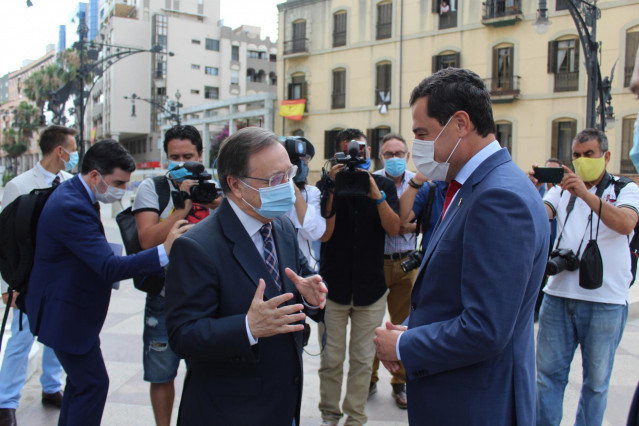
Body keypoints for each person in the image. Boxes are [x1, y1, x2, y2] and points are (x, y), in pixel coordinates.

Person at [374, 68, 550, 425]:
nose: (418, 147)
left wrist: (405, 346)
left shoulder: (498, 197)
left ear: (460, 123)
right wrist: (412, 332)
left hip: (475, 403)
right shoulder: (471, 185)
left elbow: (485, 328)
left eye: (422, 134)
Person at [164, 127, 327, 426]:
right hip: (229, 411)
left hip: (282, 402)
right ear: (236, 186)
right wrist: (247, 327)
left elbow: (303, 279)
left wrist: (313, 298)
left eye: (289, 174)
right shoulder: (197, 247)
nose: (288, 187)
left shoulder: (282, 227)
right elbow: (182, 336)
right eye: (276, 180)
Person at [25, 140, 189, 426]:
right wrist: (166, 249)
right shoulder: (71, 205)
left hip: (68, 313)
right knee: (93, 385)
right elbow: (109, 267)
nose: (122, 190)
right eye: (118, 182)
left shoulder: (76, 195)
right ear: (94, 176)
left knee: (81, 386)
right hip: (65, 316)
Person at [534, 128, 639, 426]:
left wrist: (584, 193)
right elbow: (540, 216)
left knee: (596, 385)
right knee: (547, 379)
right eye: (576, 155)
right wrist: (531, 192)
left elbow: (626, 223)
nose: (581, 161)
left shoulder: (624, 188)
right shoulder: (561, 189)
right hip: (557, 296)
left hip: (605, 301)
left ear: (606, 156)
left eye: (588, 155)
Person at [132, 125, 221, 426]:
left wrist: (217, 203)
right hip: (164, 298)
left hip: (209, 297)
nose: (181, 163)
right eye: (174, 157)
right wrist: (181, 210)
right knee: (161, 373)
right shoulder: (153, 188)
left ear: (201, 155)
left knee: (209, 373)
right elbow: (146, 239)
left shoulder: (217, 187)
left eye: (188, 156)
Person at [317, 128, 400, 426]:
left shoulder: (383, 184)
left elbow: (394, 229)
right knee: (331, 359)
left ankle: (355, 418)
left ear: (367, 153)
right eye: (345, 154)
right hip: (333, 287)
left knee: (364, 361)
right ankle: (329, 415)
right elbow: (324, 235)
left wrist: (375, 194)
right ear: (335, 156)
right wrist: (334, 191)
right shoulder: (326, 186)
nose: (353, 159)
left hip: (371, 289)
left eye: (358, 152)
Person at [0, 125, 76, 425]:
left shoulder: (70, 183)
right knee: (21, 340)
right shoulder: (19, 186)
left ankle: (51, 386)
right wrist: (8, 285)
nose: (74, 152)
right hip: (28, 279)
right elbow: (3, 240)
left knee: (57, 336)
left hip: (62, 277)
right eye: (73, 147)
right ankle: (6, 402)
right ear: (61, 150)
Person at [369, 133, 416, 409]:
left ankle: (400, 384)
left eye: (399, 153)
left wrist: (408, 226)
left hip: (407, 263)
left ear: (407, 156)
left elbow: (422, 220)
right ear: (381, 156)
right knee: (372, 325)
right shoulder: (371, 181)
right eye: (389, 154)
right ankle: (369, 377)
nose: (395, 158)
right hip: (375, 263)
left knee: (403, 328)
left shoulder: (419, 183)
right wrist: (404, 224)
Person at [283, 137, 325, 271]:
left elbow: (314, 233)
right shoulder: (269, 191)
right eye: (295, 160)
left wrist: (294, 190)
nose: (301, 165)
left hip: (301, 268)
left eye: (305, 160)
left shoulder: (311, 193)